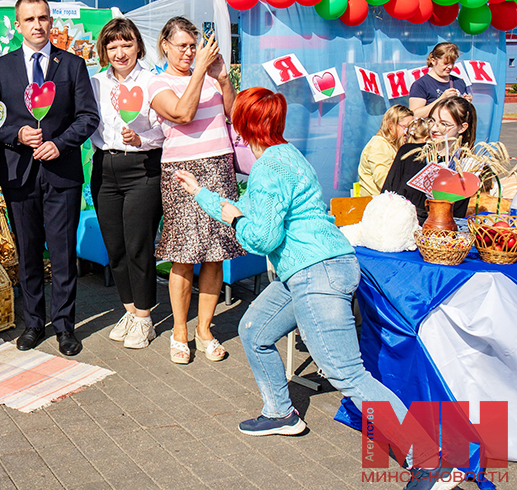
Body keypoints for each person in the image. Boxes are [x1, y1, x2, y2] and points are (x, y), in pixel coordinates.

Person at [175, 88, 447, 489]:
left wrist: (234, 222)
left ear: (244, 125)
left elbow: (262, 236)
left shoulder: (268, 168)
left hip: (314, 272)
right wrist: (201, 192)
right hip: (311, 267)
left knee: (347, 374)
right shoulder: (286, 156)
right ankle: (281, 413)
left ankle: (429, 461)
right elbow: (255, 212)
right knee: (254, 331)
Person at [0, 0, 99, 357]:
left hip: (61, 174)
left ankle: (65, 326)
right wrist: (15, 134)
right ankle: (33, 322)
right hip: (18, 175)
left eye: (44, 18)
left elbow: (87, 117)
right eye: (30, 19)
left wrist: (61, 143)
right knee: (29, 252)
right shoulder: (1, 67)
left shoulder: (72, 66)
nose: (38, 25)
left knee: (63, 255)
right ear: (17, 25)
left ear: (52, 22)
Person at [148, 16, 243, 365]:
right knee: (184, 254)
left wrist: (222, 78)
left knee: (214, 253)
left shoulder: (211, 78)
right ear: (165, 46)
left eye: (193, 46)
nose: (189, 53)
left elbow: (234, 114)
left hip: (219, 166)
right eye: (182, 46)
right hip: (182, 171)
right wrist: (201, 70)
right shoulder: (157, 83)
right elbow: (182, 114)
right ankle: (179, 332)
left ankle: (204, 329)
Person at [89, 18, 164, 349]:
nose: (120, 52)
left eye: (127, 44)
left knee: (138, 245)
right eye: (112, 45)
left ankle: (145, 318)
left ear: (138, 46)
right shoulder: (94, 82)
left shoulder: (152, 82)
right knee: (115, 246)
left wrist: (142, 137)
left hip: (142, 168)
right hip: (104, 167)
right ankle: (131, 311)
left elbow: (166, 127)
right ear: (104, 49)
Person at [382, 96, 478, 224]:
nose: (434, 129)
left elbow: (456, 215)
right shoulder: (408, 152)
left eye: (444, 124)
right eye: (432, 120)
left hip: (437, 236)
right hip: (396, 229)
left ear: (462, 127)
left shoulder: (464, 166)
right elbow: (385, 196)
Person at [357, 105, 413, 196]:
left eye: (411, 128)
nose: (408, 132)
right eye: (405, 127)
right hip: (377, 204)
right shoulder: (378, 144)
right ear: (390, 125)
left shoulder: (395, 145)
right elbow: (384, 181)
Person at [409, 42, 472, 119]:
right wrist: (441, 99)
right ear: (433, 61)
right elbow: (415, 115)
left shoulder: (459, 82)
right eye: (446, 63)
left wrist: (466, 103)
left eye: (452, 63)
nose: (450, 67)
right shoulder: (421, 84)